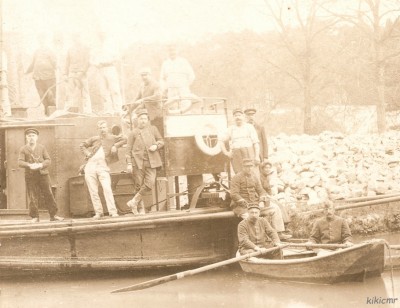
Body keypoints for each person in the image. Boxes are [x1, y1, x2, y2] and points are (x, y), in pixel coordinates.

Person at [230, 158, 291, 240]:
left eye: (251, 166)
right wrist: (243, 201)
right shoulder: (236, 178)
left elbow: (261, 190)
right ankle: (257, 239)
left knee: (275, 208)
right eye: (247, 166)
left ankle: (278, 233)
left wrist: (262, 200)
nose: (249, 168)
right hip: (242, 206)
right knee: (251, 217)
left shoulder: (254, 177)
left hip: (255, 203)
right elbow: (234, 194)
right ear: (242, 167)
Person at [80, 120, 126, 219]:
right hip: (90, 165)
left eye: (104, 127)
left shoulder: (112, 138)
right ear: (98, 129)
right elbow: (82, 145)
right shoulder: (94, 139)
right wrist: (87, 154)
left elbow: (124, 139)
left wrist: (115, 146)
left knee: (107, 188)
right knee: (93, 190)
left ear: (107, 128)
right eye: (100, 128)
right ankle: (98, 212)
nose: (102, 130)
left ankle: (113, 212)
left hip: (103, 166)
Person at [18, 128, 64, 223]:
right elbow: (20, 162)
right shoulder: (23, 149)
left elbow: (48, 160)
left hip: (43, 174)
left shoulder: (42, 147)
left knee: (49, 194)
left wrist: (41, 165)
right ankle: (35, 217)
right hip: (30, 176)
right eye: (29, 136)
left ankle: (53, 215)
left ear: (37, 137)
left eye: (33, 136)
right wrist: (29, 165)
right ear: (26, 137)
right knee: (32, 196)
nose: (31, 138)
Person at [126, 109, 164, 215]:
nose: (143, 121)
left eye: (145, 119)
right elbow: (128, 150)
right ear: (137, 120)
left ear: (147, 120)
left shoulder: (153, 129)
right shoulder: (133, 133)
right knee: (138, 185)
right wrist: (129, 163)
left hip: (152, 162)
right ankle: (141, 209)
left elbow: (161, 141)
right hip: (138, 163)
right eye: (141, 119)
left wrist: (156, 146)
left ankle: (133, 202)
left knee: (149, 183)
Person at [219, 108, 260, 174]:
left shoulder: (249, 127)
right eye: (235, 116)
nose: (238, 117)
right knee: (239, 174)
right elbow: (221, 140)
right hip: (236, 154)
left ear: (243, 116)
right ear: (233, 118)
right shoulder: (231, 129)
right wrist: (226, 153)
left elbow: (256, 143)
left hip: (248, 153)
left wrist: (257, 156)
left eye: (239, 115)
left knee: (252, 173)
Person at [91, 31, 123, 115]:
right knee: (103, 91)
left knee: (115, 90)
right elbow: (91, 59)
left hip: (110, 68)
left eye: (103, 34)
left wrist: (107, 62)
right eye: (100, 35)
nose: (101, 36)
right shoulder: (96, 46)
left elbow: (117, 57)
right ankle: (108, 111)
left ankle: (118, 109)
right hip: (100, 69)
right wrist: (95, 64)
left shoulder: (111, 44)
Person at [123, 68, 162, 134]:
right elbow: (137, 99)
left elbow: (157, 96)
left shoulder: (156, 85)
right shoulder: (142, 86)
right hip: (146, 114)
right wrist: (129, 110)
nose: (144, 77)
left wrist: (143, 99)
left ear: (150, 75)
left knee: (157, 134)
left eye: (145, 75)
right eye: (142, 75)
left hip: (156, 115)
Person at [25, 34, 57, 116]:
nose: (41, 41)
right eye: (39, 40)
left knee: (51, 96)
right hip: (38, 77)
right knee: (42, 96)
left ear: (45, 41)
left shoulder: (50, 51)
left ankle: (53, 113)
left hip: (49, 77)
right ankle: (47, 112)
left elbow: (55, 63)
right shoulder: (36, 52)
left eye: (42, 39)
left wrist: (60, 71)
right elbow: (32, 64)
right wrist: (26, 72)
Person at [64, 33, 92, 114]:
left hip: (82, 74)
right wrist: (65, 74)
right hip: (72, 73)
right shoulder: (70, 49)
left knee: (85, 92)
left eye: (77, 37)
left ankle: (87, 111)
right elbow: (67, 62)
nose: (75, 39)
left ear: (80, 37)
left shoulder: (85, 48)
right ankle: (68, 110)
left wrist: (82, 72)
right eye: (74, 37)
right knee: (69, 92)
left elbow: (87, 61)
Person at [259, 161, 291, 226]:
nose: (267, 169)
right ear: (262, 169)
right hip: (263, 198)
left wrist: (271, 195)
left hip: (268, 196)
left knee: (280, 204)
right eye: (266, 168)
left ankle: (285, 224)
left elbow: (269, 189)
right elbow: (260, 189)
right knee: (277, 206)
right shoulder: (260, 177)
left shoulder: (266, 177)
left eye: (269, 168)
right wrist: (268, 195)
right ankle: (284, 224)